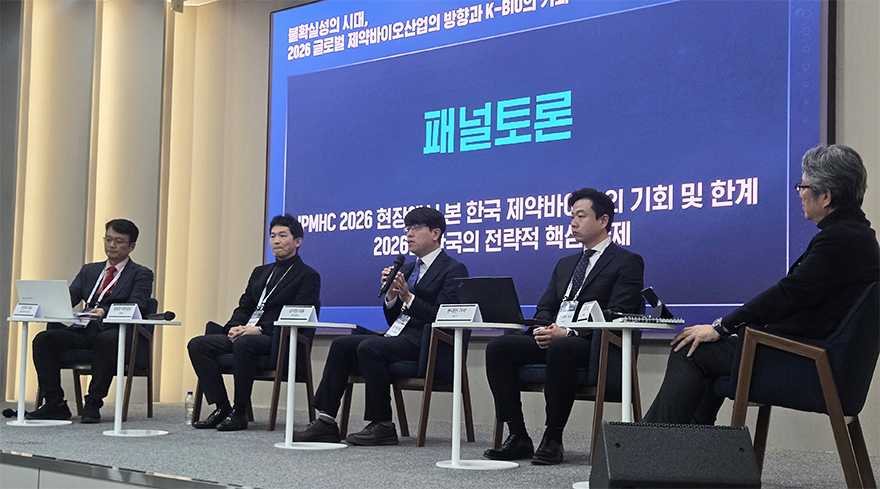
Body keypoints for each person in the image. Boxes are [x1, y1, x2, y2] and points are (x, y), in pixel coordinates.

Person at [643, 144, 880, 425]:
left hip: (807, 362)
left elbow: (788, 294)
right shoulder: (855, 235)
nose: (800, 193)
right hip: (810, 355)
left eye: (803, 187)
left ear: (826, 196)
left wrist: (722, 327)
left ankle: (649, 443)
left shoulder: (840, 239)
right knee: (701, 354)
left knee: (689, 348)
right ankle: (687, 447)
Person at [483, 188, 645, 465]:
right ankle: (518, 434)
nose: (573, 223)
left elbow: (620, 311)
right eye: (571, 217)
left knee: (562, 347)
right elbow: (546, 305)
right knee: (499, 347)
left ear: (603, 220)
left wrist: (569, 332)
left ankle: (553, 438)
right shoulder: (566, 263)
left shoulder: (627, 261)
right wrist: (543, 327)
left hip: (592, 343)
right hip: (555, 335)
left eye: (581, 216)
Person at [294, 206, 469, 446]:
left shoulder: (453, 269)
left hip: (427, 343)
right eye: (407, 229)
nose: (409, 234)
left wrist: (408, 297)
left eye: (416, 228)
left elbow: (445, 316)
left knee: (370, 347)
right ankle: (326, 421)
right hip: (400, 337)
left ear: (435, 233)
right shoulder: (407, 269)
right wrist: (391, 295)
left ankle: (383, 424)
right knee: (342, 344)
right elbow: (393, 320)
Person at [187, 214, 320, 431]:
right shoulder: (260, 272)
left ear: (297, 241)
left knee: (244, 343)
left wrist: (259, 329)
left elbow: (299, 313)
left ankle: (240, 412)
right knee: (198, 344)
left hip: (277, 338)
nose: (276, 241)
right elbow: (245, 305)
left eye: (282, 235)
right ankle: (222, 407)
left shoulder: (308, 275)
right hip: (246, 332)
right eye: (272, 236)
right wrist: (233, 327)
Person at [28, 219, 155, 423]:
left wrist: (105, 311)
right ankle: (55, 403)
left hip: (115, 331)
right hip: (84, 329)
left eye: (118, 241)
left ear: (131, 246)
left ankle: (93, 403)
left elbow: (137, 305)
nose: (111, 245)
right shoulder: (89, 270)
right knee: (43, 340)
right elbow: (71, 297)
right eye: (108, 239)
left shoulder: (141, 274)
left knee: (107, 340)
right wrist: (47, 302)